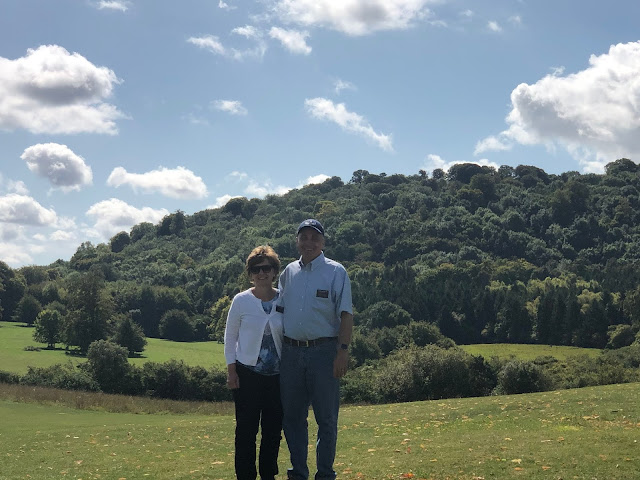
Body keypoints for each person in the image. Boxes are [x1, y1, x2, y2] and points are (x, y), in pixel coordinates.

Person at [278, 219, 353, 480]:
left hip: (324, 353)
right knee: (292, 419)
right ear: (297, 241)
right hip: (290, 353)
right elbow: (278, 311)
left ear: (323, 242)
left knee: (327, 420)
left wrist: (342, 352)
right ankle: (298, 474)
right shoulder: (288, 272)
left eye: (314, 237)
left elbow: (346, 314)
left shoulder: (336, 271)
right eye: (304, 237)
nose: (308, 242)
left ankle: (325, 474)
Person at [224, 245, 284, 480]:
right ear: (250, 273)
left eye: (266, 268)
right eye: (256, 269)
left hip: (277, 377)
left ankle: (268, 474)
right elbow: (230, 337)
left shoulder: (284, 298)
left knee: (273, 431)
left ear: (274, 271)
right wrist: (231, 371)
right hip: (247, 374)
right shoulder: (241, 301)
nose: (261, 273)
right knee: (246, 431)